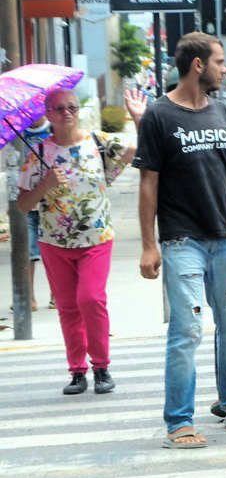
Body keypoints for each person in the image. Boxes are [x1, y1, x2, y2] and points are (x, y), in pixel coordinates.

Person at [135, 32, 226, 448]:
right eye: (219, 62)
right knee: (188, 329)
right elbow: (149, 184)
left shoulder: (222, 113)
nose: (225, 70)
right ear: (198, 65)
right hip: (183, 242)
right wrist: (149, 244)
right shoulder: (159, 116)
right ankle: (179, 420)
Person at [17, 84, 144, 395]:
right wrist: (45, 185)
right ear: (48, 115)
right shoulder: (38, 154)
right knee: (68, 307)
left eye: (72, 107)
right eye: (59, 108)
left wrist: (139, 119)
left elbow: (143, 154)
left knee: (90, 298)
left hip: (96, 237)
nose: (67, 113)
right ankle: (77, 371)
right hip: (54, 241)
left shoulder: (99, 143)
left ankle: (101, 366)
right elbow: (22, 205)